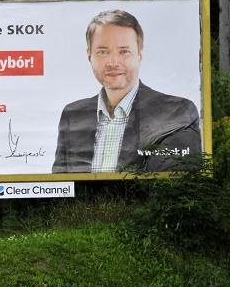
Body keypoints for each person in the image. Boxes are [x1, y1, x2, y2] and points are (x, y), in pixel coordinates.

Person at [52, 9, 201, 174]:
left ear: (139, 54)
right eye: (103, 52)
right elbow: (60, 185)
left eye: (124, 51)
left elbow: (175, 185)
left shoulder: (177, 112)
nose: (113, 62)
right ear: (89, 55)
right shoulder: (73, 115)